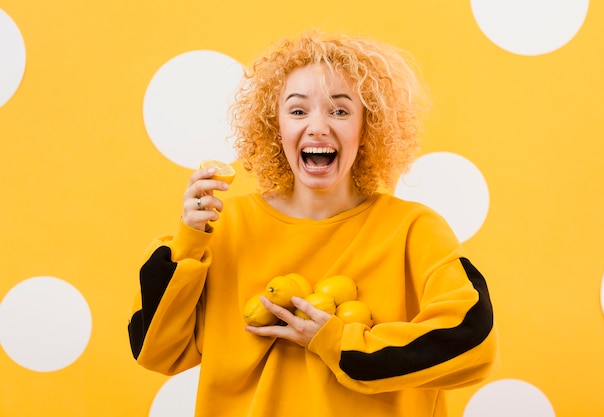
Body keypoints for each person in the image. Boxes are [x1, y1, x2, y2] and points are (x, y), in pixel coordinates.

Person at [128, 30, 499, 417]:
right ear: (276, 127)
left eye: (340, 110)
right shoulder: (225, 227)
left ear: (366, 127)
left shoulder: (414, 229)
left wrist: (335, 341)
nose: (318, 126)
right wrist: (189, 242)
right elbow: (154, 350)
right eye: (298, 110)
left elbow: (475, 341)